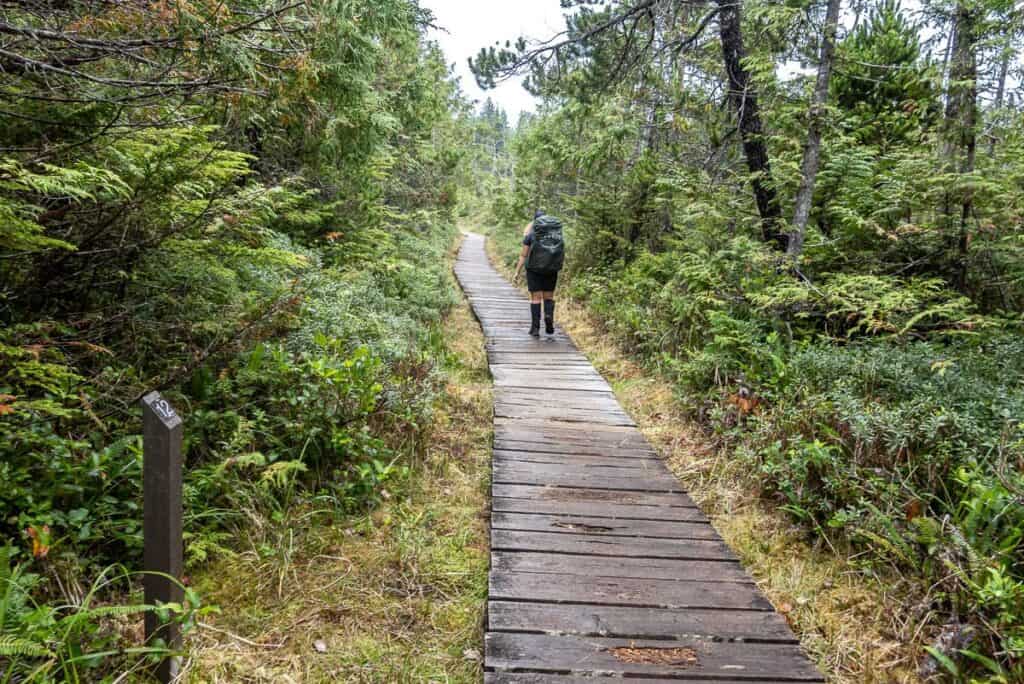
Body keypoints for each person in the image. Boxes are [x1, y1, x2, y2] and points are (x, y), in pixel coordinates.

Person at [513, 209, 563, 337]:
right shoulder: (555, 235)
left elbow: (523, 256)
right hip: (551, 269)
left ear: (535, 222)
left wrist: (517, 272)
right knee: (549, 297)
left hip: (534, 270)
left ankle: (535, 329)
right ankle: (548, 317)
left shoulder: (530, 236)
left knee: (535, 298)